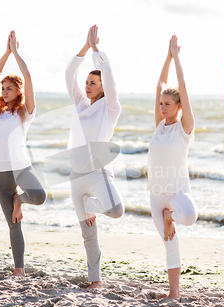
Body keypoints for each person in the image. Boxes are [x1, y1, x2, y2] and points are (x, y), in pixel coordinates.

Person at [65, 25, 125, 289]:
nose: (87, 86)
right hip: (76, 175)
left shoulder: (110, 109)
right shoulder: (80, 105)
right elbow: (69, 74)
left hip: (99, 172)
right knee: (88, 235)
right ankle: (95, 281)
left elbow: (109, 74)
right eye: (87, 83)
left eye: (93, 83)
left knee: (116, 209)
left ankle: (92, 205)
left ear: (103, 87)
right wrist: (84, 48)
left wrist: (97, 51)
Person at [0, 31, 46, 277]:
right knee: (13, 223)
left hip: (21, 166)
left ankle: (18, 201)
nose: (4, 91)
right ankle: (19, 270)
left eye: (9, 88)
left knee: (39, 195)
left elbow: (29, 77)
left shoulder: (25, 113)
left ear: (18, 91)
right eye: (3, 88)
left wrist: (17, 53)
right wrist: (7, 52)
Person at [148, 36, 198, 299]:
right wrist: (166, 57)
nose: (162, 107)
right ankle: (174, 292)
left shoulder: (184, 129)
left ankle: (172, 216)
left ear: (179, 107)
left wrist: (177, 57)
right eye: (161, 104)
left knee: (189, 217)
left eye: (168, 104)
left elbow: (184, 89)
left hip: (177, 193)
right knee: (170, 243)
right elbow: (159, 87)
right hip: (156, 195)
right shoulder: (159, 125)